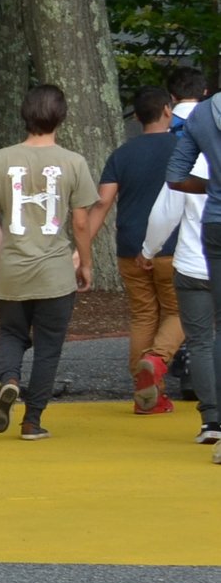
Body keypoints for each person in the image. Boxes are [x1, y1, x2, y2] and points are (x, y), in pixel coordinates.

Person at [0, 86, 95, 440]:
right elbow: (80, 222)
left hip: (12, 269)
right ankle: (32, 420)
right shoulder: (73, 162)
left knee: (11, 332)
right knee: (48, 347)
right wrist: (85, 263)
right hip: (55, 272)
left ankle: (10, 380)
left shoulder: (1, 159)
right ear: (61, 117)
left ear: (24, 115)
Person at [98, 85, 185, 416]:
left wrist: (83, 249)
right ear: (168, 110)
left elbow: (103, 201)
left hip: (130, 246)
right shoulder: (184, 148)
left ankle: (147, 395)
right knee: (180, 311)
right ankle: (157, 360)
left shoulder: (122, 154)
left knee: (143, 315)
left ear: (136, 116)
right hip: (174, 247)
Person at [165, 88, 221, 461]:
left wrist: (213, 186)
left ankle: (216, 422)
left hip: (215, 224)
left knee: (212, 332)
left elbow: (175, 176)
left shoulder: (201, 115)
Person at [146, 184, 217, 447]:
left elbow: (163, 215)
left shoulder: (189, 164)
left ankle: (211, 420)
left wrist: (148, 249)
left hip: (193, 265)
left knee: (200, 343)